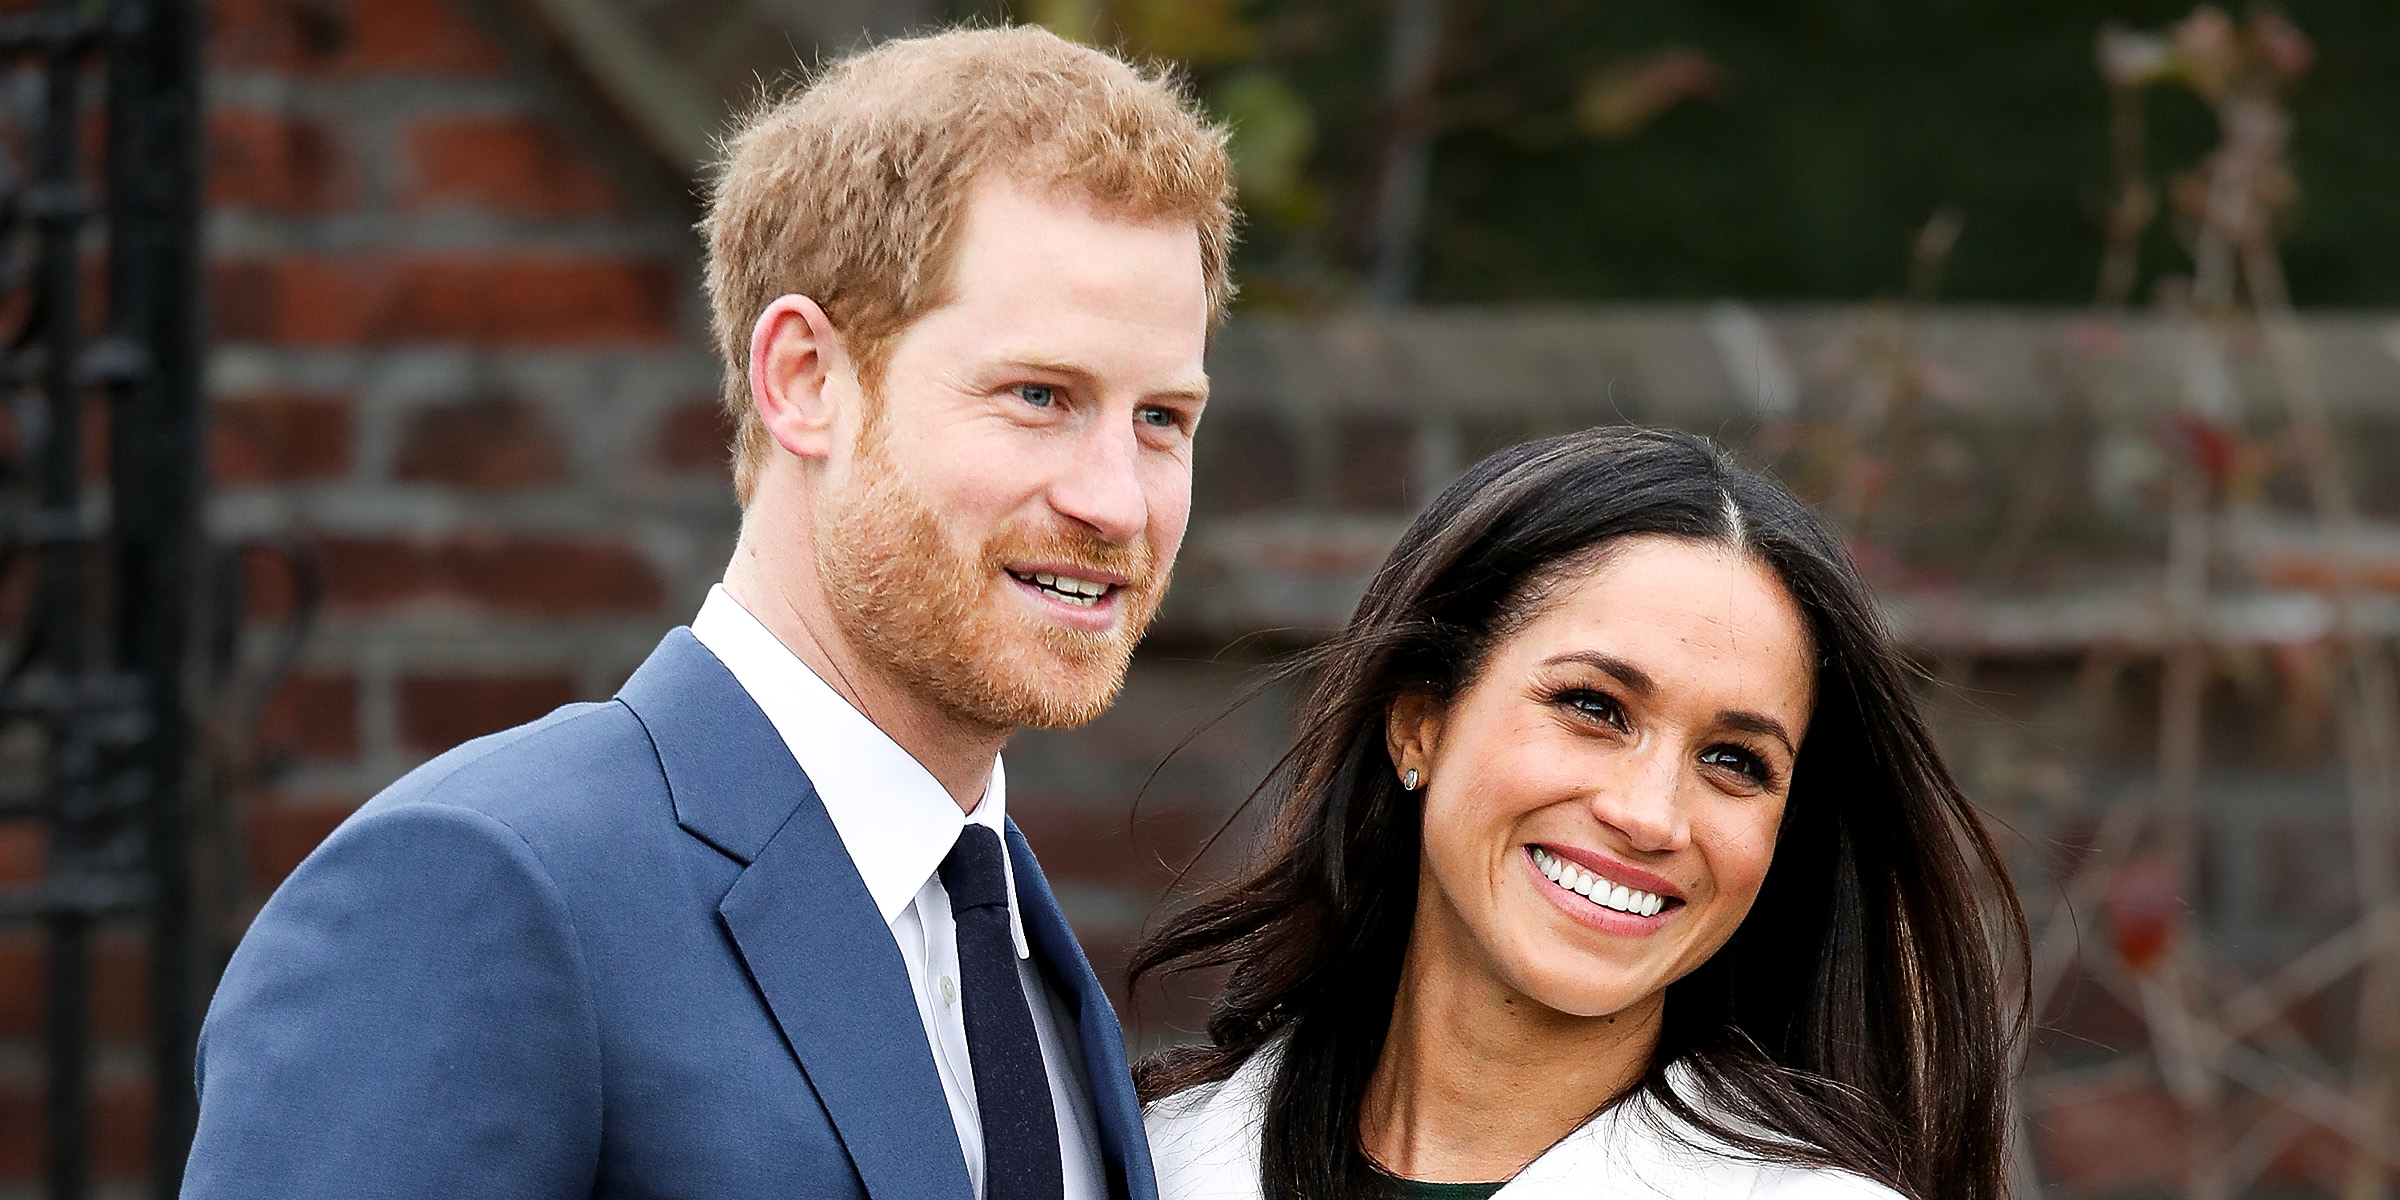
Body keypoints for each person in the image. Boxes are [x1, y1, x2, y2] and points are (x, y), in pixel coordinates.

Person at [183, 26, 1233, 1200]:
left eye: (1161, 420)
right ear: (804, 380)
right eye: (1039, 395)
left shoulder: (1019, 959)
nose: (1114, 500)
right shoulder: (480, 889)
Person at [1133, 428, 2029, 1200]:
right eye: (1595, 708)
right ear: (1420, 725)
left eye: (1734, 762)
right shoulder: (1133, 1157)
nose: (1650, 815)